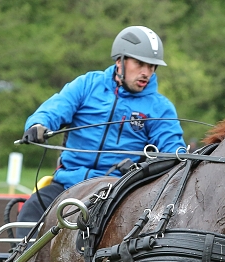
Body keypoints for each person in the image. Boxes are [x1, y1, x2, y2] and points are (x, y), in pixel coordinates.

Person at [16, 25, 187, 232]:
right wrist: (38, 125)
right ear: (119, 61)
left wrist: (142, 170)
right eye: (140, 64)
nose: (146, 73)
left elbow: (174, 153)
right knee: (30, 211)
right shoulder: (88, 84)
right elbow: (55, 108)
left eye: (152, 67)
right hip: (67, 185)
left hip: (117, 192)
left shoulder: (160, 107)